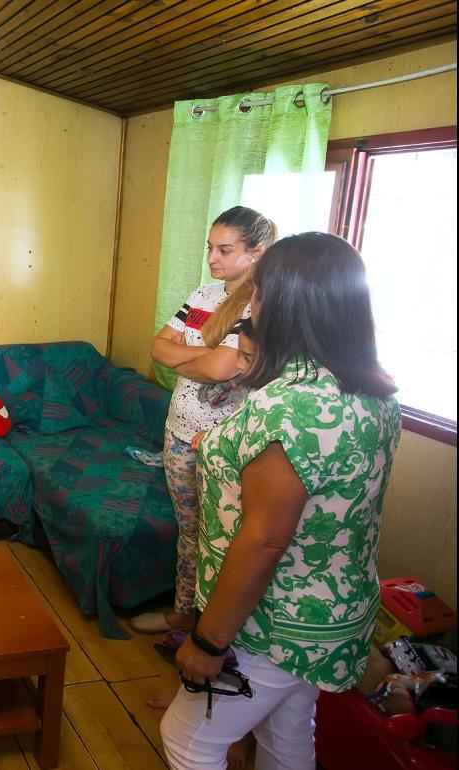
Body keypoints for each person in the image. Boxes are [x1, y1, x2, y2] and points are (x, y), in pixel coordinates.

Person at [161, 232, 401, 769]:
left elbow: (265, 539)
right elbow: (322, 485)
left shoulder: (289, 411)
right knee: (287, 735)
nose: (252, 304)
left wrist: (208, 642)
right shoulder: (373, 392)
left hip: (271, 621)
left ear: (286, 305)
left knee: (188, 740)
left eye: (260, 294)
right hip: (332, 614)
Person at [133, 206, 276, 637]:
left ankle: (218, 632)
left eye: (224, 249)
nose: (213, 257)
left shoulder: (262, 305)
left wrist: (202, 360)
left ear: (257, 252)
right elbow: (160, 348)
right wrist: (209, 357)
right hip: (178, 432)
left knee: (226, 538)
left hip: (223, 441)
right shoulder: (202, 296)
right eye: (210, 248)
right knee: (189, 531)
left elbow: (220, 371)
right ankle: (182, 613)